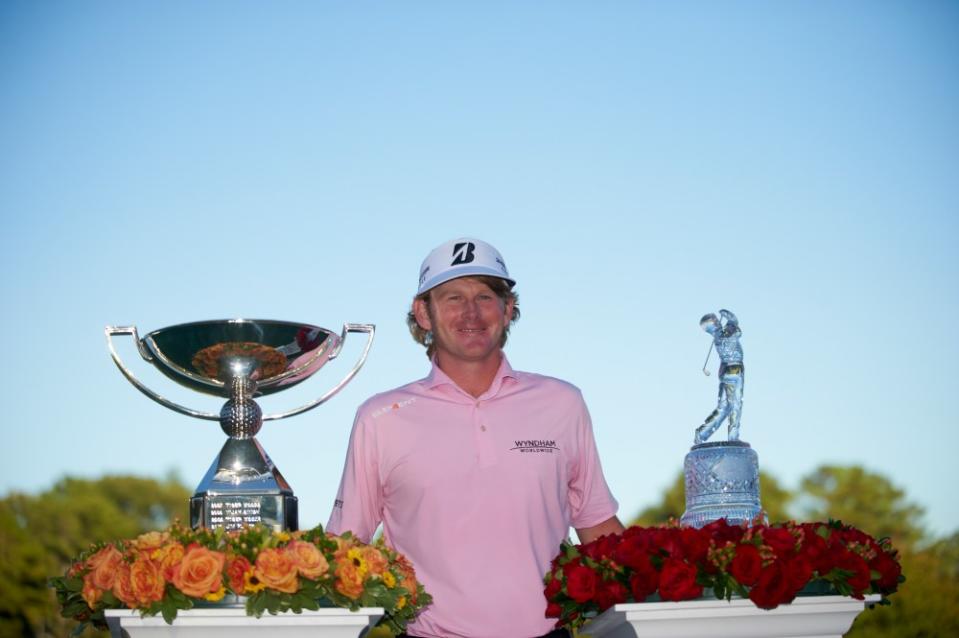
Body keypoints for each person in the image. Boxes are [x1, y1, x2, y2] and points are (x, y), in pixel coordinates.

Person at [327, 238, 623, 638]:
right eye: (452, 297)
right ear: (423, 313)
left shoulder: (562, 402)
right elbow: (346, 546)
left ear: (508, 309)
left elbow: (597, 527)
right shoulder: (380, 418)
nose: (471, 312)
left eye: (486, 296)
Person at [694, 309, 744, 444]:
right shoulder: (724, 335)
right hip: (734, 371)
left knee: (723, 408)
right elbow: (734, 324)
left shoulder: (718, 337)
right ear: (712, 326)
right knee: (735, 406)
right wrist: (726, 315)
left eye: (716, 319)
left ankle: (702, 433)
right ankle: (733, 438)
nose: (718, 321)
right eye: (715, 320)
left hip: (727, 372)